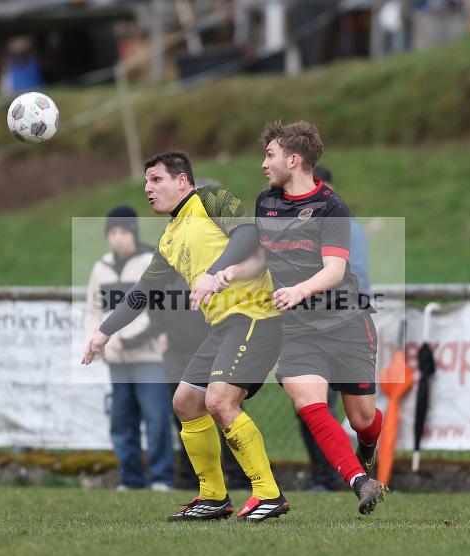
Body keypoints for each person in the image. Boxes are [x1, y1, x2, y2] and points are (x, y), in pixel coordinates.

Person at [83, 151, 288, 522]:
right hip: (224, 326)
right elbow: (142, 292)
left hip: (256, 315)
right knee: (186, 402)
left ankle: (268, 494)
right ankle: (213, 497)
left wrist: (213, 273)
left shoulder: (211, 198)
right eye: (146, 182)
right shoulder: (169, 238)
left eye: (156, 179)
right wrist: (103, 331)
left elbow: (247, 234)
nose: (148, 188)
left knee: (220, 400)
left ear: (181, 181)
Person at [215, 121, 384, 515]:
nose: (263, 164)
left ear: (293, 159)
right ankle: (361, 482)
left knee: (362, 418)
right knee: (307, 399)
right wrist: (233, 272)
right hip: (299, 328)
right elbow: (262, 257)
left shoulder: (332, 207)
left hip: (346, 323)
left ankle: (368, 445)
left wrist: (299, 290)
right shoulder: (266, 202)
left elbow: (334, 271)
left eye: (269, 155)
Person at [85, 206, 174, 491]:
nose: (117, 237)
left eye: (123, 231)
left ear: (133, 232)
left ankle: (161, 478)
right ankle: (131, 480)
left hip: (149, 357)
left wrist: (129, 339)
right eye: (112, 232)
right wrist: (95, 341)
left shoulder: (150, 262)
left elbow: (160, 312)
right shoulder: (100, 268)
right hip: (116, 360)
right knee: (122, 422)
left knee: (156, 418)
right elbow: (94, 311)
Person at [300, 165, 370, 492]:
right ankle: (329, 476)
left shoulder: (342, 225)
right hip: (311, 328)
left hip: (342, 326)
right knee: (311, 405)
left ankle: (335, 473)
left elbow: (354, 278)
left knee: (358, 415)